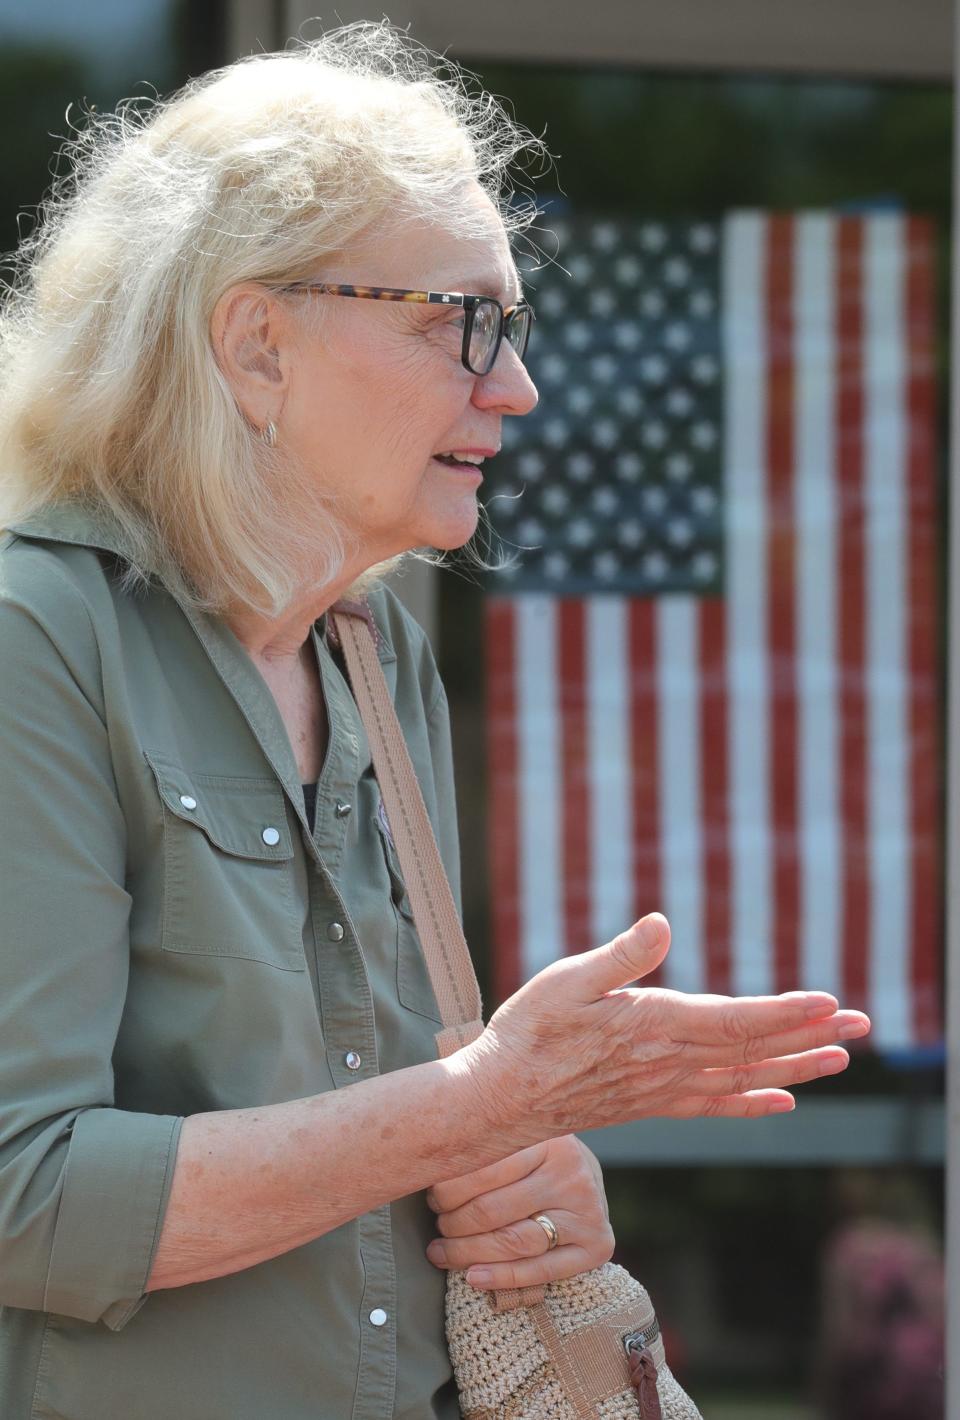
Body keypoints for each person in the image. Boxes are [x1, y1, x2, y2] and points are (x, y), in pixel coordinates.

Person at [0, 23, 870, 1419]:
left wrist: (526, 1193)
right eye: (454, 320)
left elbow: (390, 1134)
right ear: (256, 345)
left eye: (508, 324)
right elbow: (23, 1198)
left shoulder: (375, 641)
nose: (513, 384)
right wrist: (484, 1104)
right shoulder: (36, 637)